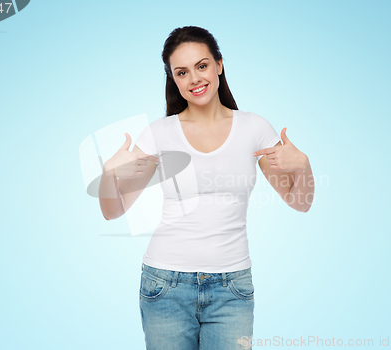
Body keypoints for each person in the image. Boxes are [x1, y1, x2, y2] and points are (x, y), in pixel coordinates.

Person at [98, 26, 314, 350]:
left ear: (219, 65)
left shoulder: (254, 128)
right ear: (173, 79)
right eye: (182, 72)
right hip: (165, 284)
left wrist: (304, 165)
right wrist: (107, 175)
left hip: (232, 289)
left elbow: (300, 202)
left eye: (202, 66)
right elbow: (112, 211)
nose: (195, 79)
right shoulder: (159, 133)